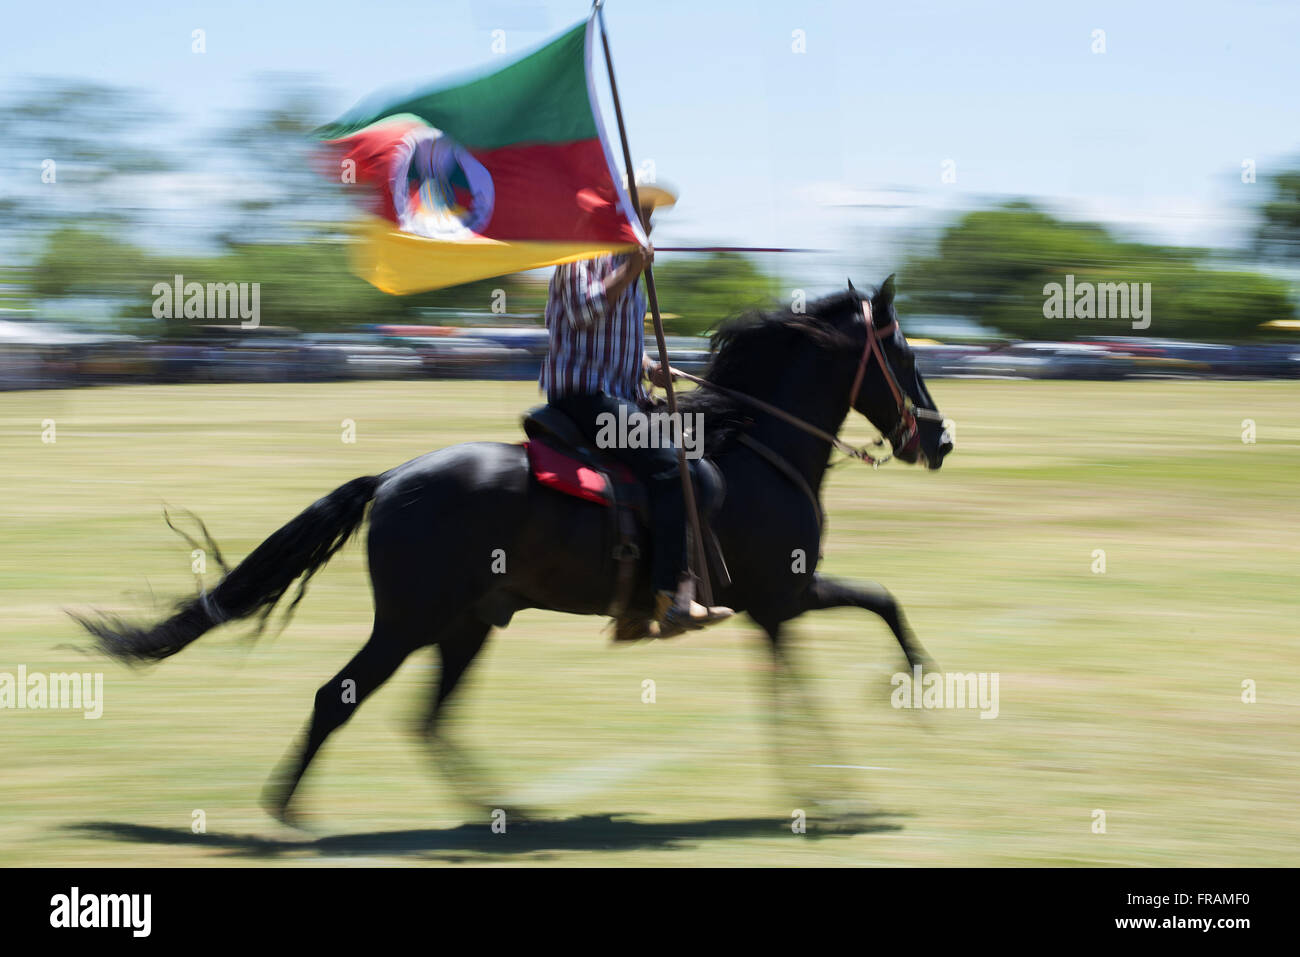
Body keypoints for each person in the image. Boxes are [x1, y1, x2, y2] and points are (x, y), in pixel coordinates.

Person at [540, 183, 732, 639]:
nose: (649, 225)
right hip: (583, 398)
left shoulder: (630, 267)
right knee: (671, 469)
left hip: (623, 395)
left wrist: (649, 368)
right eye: (641, 215)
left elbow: (613, 342)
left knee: (701, 468)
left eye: (649, 217)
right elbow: (584, 315)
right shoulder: (578, 258)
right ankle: (668, 596)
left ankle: (631, 609)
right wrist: (631, 267)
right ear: (615, 216)